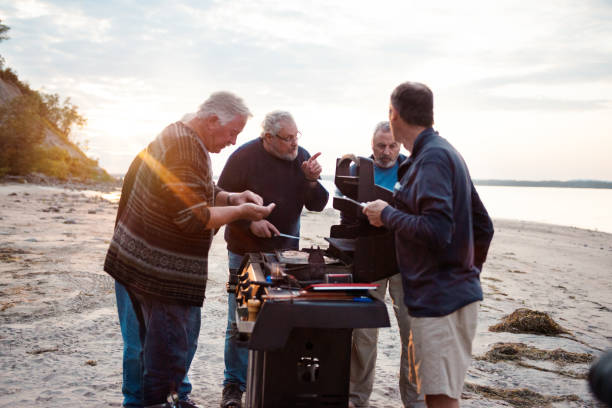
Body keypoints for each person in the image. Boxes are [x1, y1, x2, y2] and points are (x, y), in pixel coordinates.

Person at [104, 91, 275, 408]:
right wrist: (242, 213)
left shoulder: (179, 135)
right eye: (231, 133)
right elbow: (193, 217)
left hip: (138, 263)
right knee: (166, 352)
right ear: (212, 121)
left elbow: (192, 190)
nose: (232, 141)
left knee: (154, 348)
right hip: (158, 273)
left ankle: (159, 399)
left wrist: (232, 198)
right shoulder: (186, 147)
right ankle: (157, 401)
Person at [362, 82, 494, 408]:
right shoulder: (438, 152)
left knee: (439, 399)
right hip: (444, 295)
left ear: (394, 114)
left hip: (441, 302)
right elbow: (483, 226)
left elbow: (437, 229)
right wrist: (465, 274)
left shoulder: (433, 158)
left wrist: (388, 214)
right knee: (435, 393)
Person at [216, 110, 329, 408]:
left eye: (296, 136)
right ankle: (233, 387)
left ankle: (274, 383)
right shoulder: (242, 158)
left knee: (281, 318)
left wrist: (311, 181)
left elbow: (317, 205)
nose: (294, 144)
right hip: (245, 250)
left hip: (285, 254)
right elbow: (219, 200)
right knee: (243, 321)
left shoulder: (301, 158)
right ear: (268, 137)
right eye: (287, 138)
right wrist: (250, 223)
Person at [348, 121, 424, 408]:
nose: (387, 151)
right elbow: (344, 204)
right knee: (363, 334)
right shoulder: (359, 168)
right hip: (369, 257)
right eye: (381, 146)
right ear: (372, 146)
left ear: (400, 145)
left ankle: (415, 400)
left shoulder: (413, 169)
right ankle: (356, 399)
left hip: (407, 260)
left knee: (413, 333)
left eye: (392, 145)